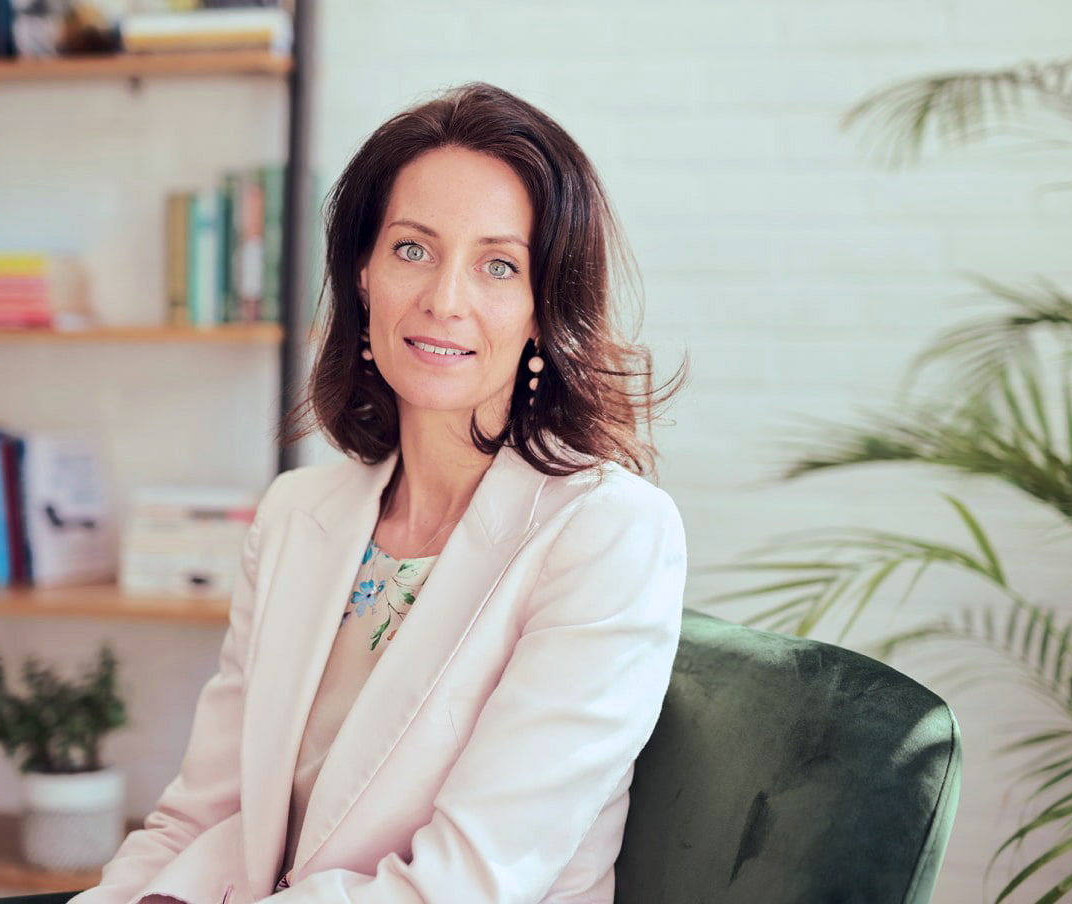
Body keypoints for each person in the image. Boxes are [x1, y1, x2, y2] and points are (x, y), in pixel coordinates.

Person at [70, 81, 689, 904]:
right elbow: (199, 819)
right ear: (362, 273)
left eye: (498, 265)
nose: (445, 299)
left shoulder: (609, 532)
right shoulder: (296, 516)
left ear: (544, 309)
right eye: (412, 249)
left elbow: (468, 882)